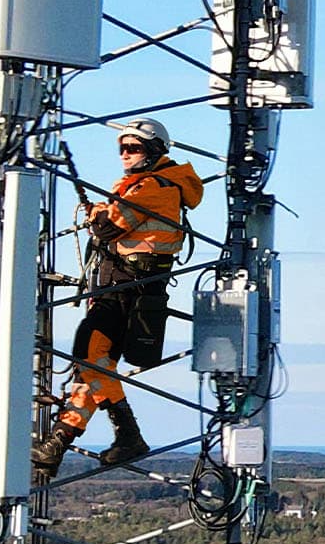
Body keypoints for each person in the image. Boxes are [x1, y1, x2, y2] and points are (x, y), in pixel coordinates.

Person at [32, 118, 205, 485]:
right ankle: (57, 445)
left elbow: (109, 227)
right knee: (92, 367)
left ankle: (125, 436)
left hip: (127, 289)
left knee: (91, 360)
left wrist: (97, 213)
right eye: (123, 148)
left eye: (135, 148)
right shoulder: (148, 185)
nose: (126, 155)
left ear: (154, 150)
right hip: (126, 288)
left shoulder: (153, 187)